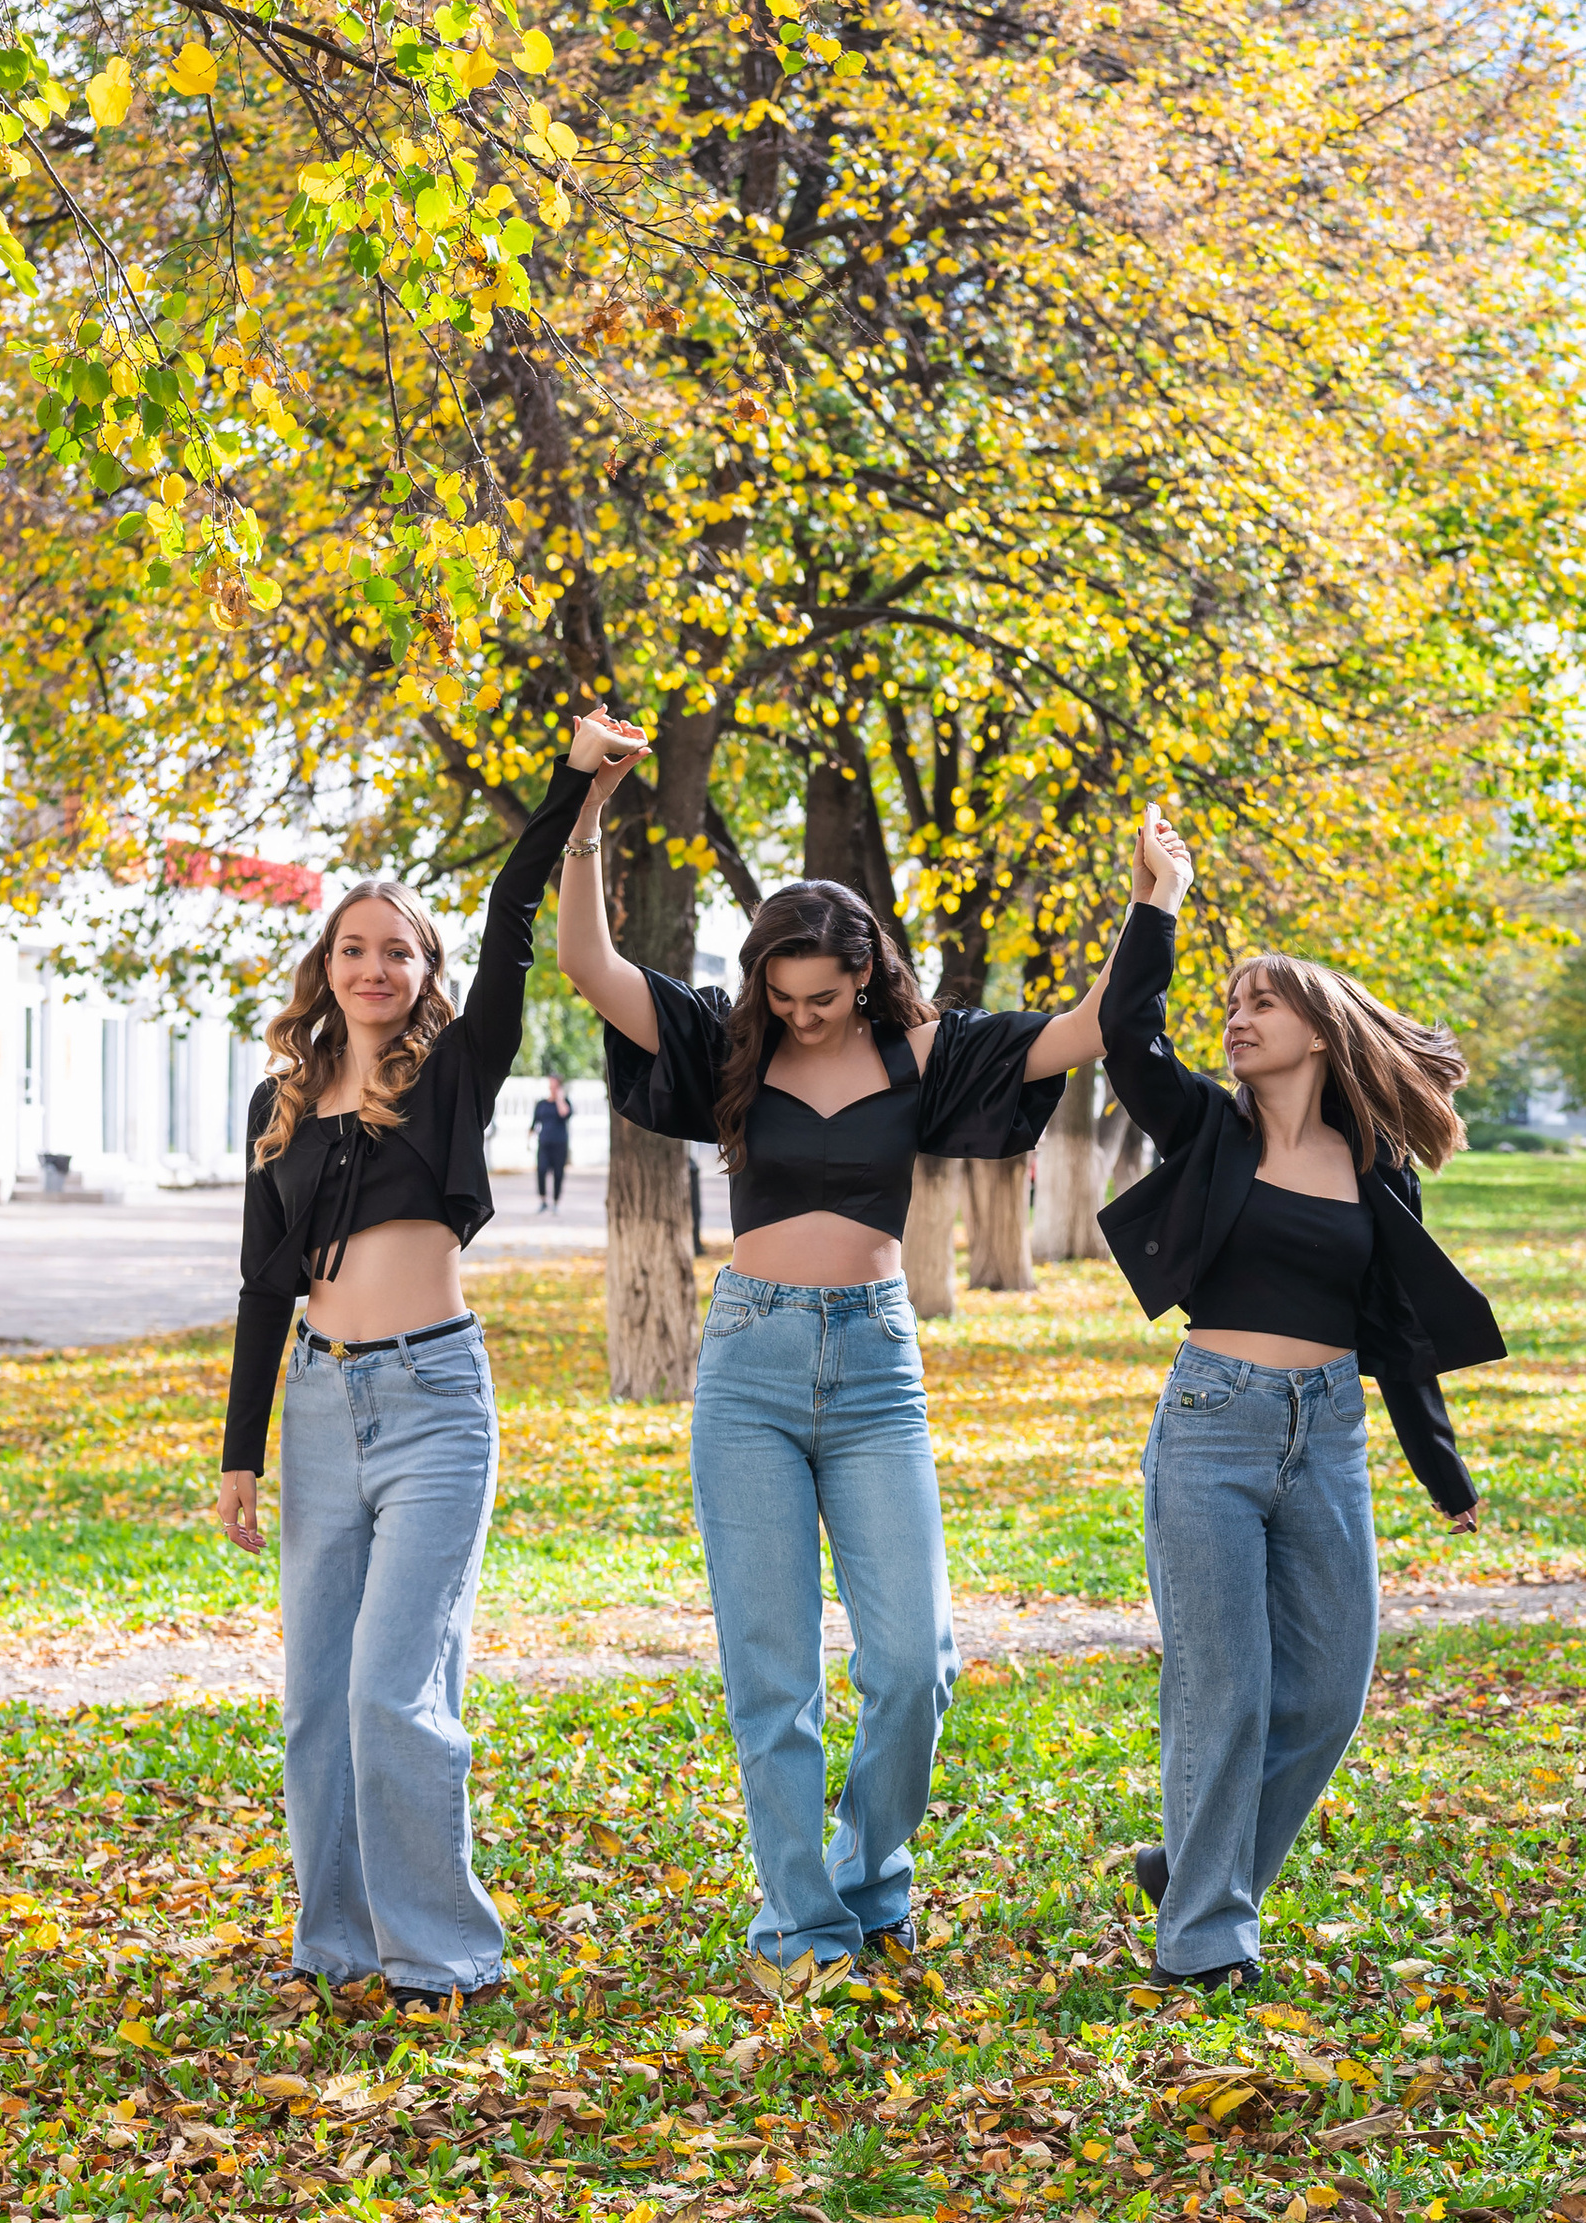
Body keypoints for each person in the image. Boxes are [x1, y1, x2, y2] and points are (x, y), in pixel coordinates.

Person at [557, 766, 1110, 1977]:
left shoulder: (928, 1054)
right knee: (773, 1675)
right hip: (748, 1359)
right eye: (783, 992)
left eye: (823, 993)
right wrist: (588, 811)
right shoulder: (725, 1044)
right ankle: (801, 1926)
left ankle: (870, 1884)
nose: (802, 1015)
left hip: (872, 1361)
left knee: (913, 1663)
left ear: (865, 974)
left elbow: (1085, 1028)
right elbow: (591, 967)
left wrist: (1149, 904)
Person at [218, 714, 639, 2011]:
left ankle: (442, 1955)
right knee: (313, 1703)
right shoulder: (278, 1102)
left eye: (397, 948)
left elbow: (515, 915)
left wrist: (573, 789)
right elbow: (259, 1285)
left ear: (425, 969)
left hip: (437, 1404)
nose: (373, 965)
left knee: (394, 1688)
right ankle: (334, 1941)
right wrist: (242, 1453)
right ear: (324, 964)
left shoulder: (459, 1068)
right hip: (323, 1406)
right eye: (353, 946)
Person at [1097, 811, 1502, 1992]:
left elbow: (1400, 1332)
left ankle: (1194, 1868)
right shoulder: (1207, 1131)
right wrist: (1155, 902)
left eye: (1260, 1002)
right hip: (1211, 1428)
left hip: (1324, 1433)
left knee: (1325, 1695)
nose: (1238, 1017)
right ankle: (1203, 1941)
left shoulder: (1376, 1165)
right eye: (1230, 1002)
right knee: (1219, 1695)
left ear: (1318, 1031)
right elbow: (1126, 1037)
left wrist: (1443, 1470)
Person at [530, 1074, 573, 1210]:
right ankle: (543, 1200)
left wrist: (560, 1098)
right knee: (541, 1170)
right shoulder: (541, 1104)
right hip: (544, 1142)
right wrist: (528, 1140)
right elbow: (534, 1123)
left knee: (558, 1173)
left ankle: (556, 1202)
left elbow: (564, 1114)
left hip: (560, 1143)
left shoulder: (565, 1102)